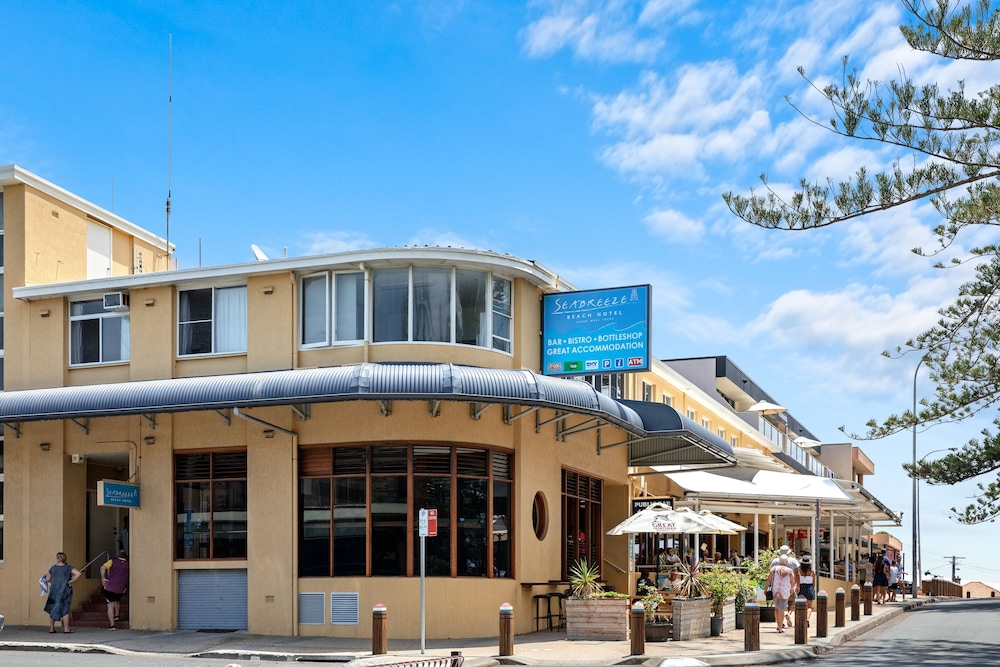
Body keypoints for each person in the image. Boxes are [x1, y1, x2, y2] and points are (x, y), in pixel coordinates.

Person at [43, 552, 81, 633]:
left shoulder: (53, 568)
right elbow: (78, 573)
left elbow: (47, 579)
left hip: (54, 590)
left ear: (57, 558)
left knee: (52, 608)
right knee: (65, 609)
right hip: (65, 590)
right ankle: (66, 629)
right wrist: (71, 581)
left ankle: (52, 628)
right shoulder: (68, 567)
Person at [765, 554, 796, 633]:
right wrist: (792, 589)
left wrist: (765, 589)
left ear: (779, 561)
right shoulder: (789, 571)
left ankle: (778, 625)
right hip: (784, 592)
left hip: (775, 591)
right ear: (786, 562)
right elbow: (792, 582)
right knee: (782, 609)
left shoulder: (774, 569)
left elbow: (768, 580)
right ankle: (780, 628)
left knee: (777, 608)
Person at [101, 550, 130, 630]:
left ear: (118, 555)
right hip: (121, 587)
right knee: (117, 600)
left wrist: (103, 578)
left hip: (111, 586)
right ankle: (117, 615)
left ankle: (112, 625)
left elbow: (103, 567)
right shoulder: (128, 564)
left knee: (110, 605)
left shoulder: (112, 561)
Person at [797, 555, 816, 627]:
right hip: (809, 587)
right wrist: (812, 589)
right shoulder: (811, 571)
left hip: (801, 588)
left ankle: (801, 619)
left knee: (801, 606)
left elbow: (797, 580)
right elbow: (814, 582)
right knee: (809, 606)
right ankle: (807, 619)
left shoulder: (799, 571)